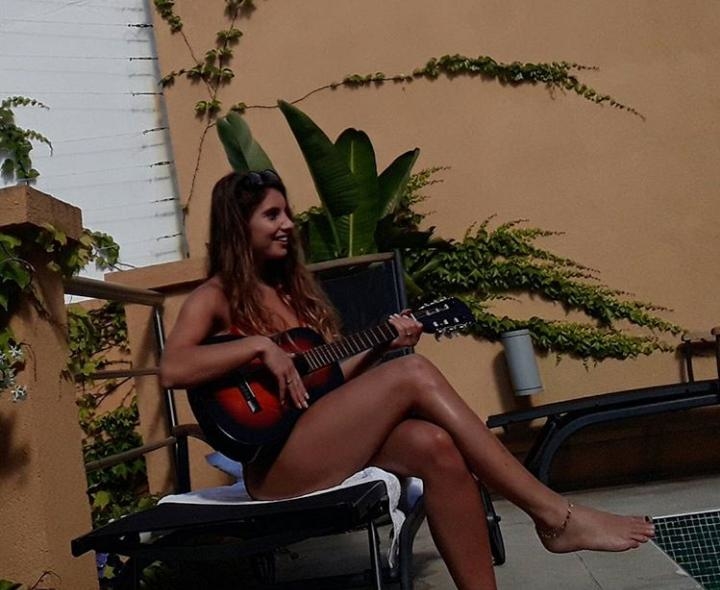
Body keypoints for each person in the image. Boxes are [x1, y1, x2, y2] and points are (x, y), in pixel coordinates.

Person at [160, 169, 655, 590]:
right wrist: (259, 347)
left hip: (315, 438)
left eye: (286, 212)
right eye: (272, 215)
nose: (288, 224)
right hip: (275, 468)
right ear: (238, 224)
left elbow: (327, 381)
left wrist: (382, 342)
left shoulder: (293, 293)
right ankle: (552, 515)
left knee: (435, 446)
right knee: (412, 372)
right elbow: (172, 369)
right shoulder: (216, 295)